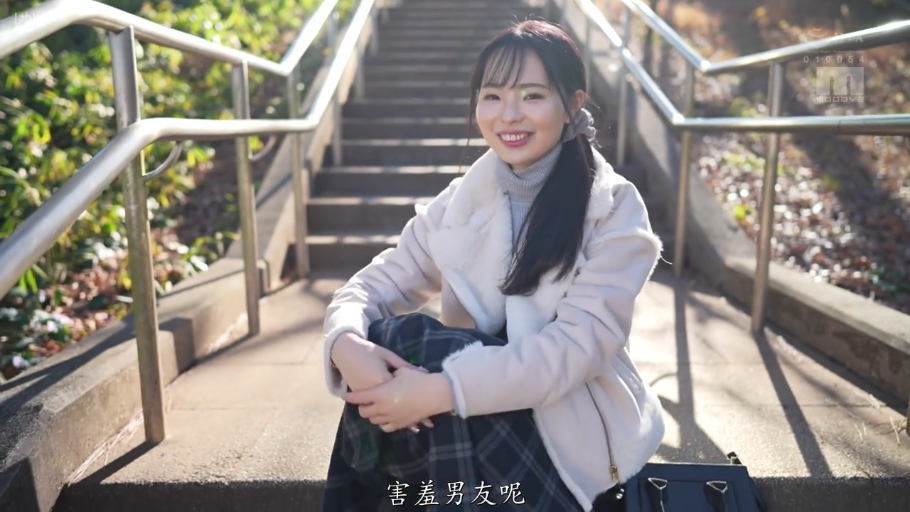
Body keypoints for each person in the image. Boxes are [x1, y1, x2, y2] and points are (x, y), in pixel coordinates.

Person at [320, 19, 665, 512]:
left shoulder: (612, 208)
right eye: (492, 96)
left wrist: (442, 390)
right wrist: (346, 345)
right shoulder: (461, 201)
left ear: (573, 104)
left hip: (568, 439)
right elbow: (372, 285)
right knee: (394, 339)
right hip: (471, 423)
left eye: (532, 96)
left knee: (436, 352)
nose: (509, 115)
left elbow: (573, 351)